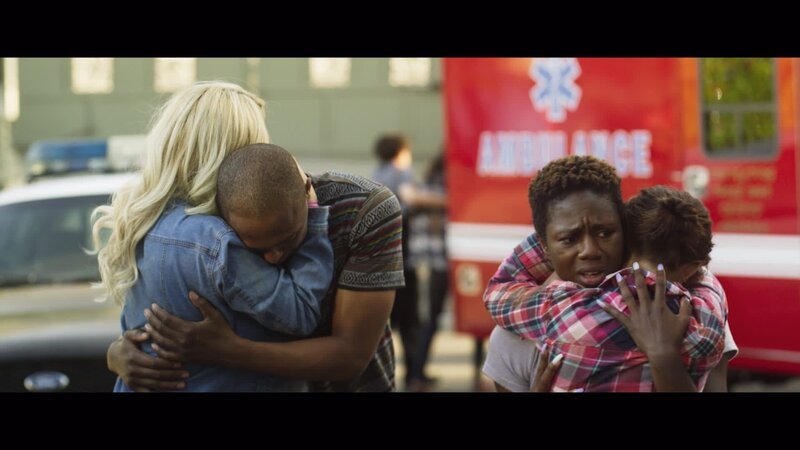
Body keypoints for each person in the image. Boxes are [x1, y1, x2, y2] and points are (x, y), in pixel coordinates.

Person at [92, 82, 335, 392]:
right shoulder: (213, 242)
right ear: (232, 156)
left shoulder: (140, 222)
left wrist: (115, 352)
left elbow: (135, 332)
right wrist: (312, 214)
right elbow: (299, 312)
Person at [107, 142, 405, 392]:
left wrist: (228, 350)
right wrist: (120, 352)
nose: (273, 257)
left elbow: (350, 356)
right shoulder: (223, 222)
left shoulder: (363, 209)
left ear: (306, 192)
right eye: (256, 250)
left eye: (287, 240)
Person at [483, 156, 731, 392]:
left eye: (605, 233)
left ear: (625, 229)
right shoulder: (698, 311)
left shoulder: (551, 312)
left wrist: (664, 358)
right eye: (569, 239)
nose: (590, 251)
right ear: (545, 245)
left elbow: (500, 288)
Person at [371, 133, 447, 390]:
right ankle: (414, 374)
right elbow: (411, 197)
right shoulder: (398, 172)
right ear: (400, 152)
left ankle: (396, 373)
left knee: (385, 319)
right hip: (400, 255)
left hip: (378, 253)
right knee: (409, 319)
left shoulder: (376, 173)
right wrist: (450, 200)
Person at [406, 152, 449, 391]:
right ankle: (416, 376)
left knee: (427, 319)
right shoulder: (443, 185)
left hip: (424, 261)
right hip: (435, 262)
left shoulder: (426, 182)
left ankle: (417, 374)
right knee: (429, 319)